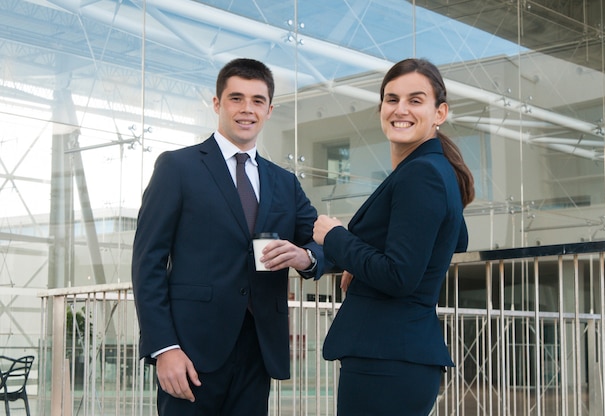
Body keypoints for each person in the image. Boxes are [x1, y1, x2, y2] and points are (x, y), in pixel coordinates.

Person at [132, 57, 324, 416]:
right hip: (190, 352)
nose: (246, 109)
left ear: (269, 109)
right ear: (217, 104)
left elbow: (320, 240)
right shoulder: (178, 167)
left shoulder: (284, 182)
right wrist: (164, 348)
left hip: (258, 350)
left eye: (257, 100)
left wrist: (305, 257)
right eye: (236, 98)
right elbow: (148, 263)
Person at [313, 58, 475, 416]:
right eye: (391, 99)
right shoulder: (435, 169)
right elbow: (452, 240)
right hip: (396, 360)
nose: (400, 109)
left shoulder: (422, 174)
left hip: (386, 360)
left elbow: (400, 275)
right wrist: (357, 259)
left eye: (415, 100)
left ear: (439, 112)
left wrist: (335, 236)